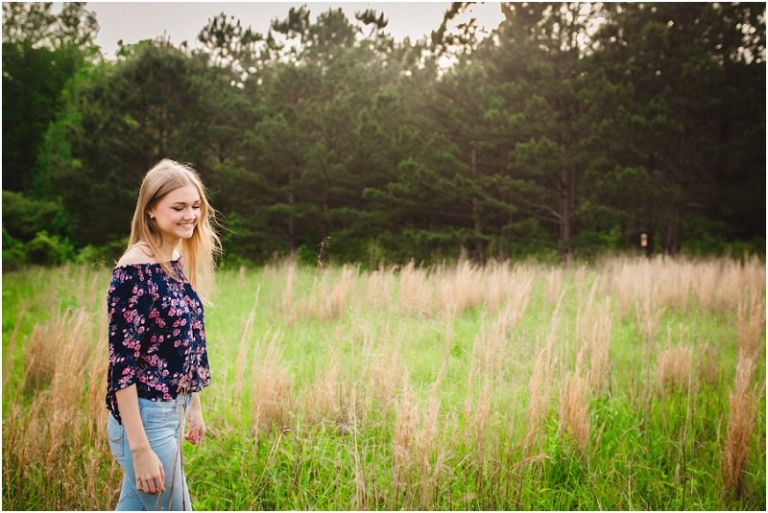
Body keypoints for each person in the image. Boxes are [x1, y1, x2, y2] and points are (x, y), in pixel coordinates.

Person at [105, 159, 221, 510]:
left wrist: (194, 406)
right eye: (179, 207)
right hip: (146, 422)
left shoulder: (172, 260)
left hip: (172, 412)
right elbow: (121, 369)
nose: (191, 215)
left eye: (196, 206)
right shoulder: (134, 271)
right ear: (151, 210)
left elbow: (185, 346)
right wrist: (140, 449)